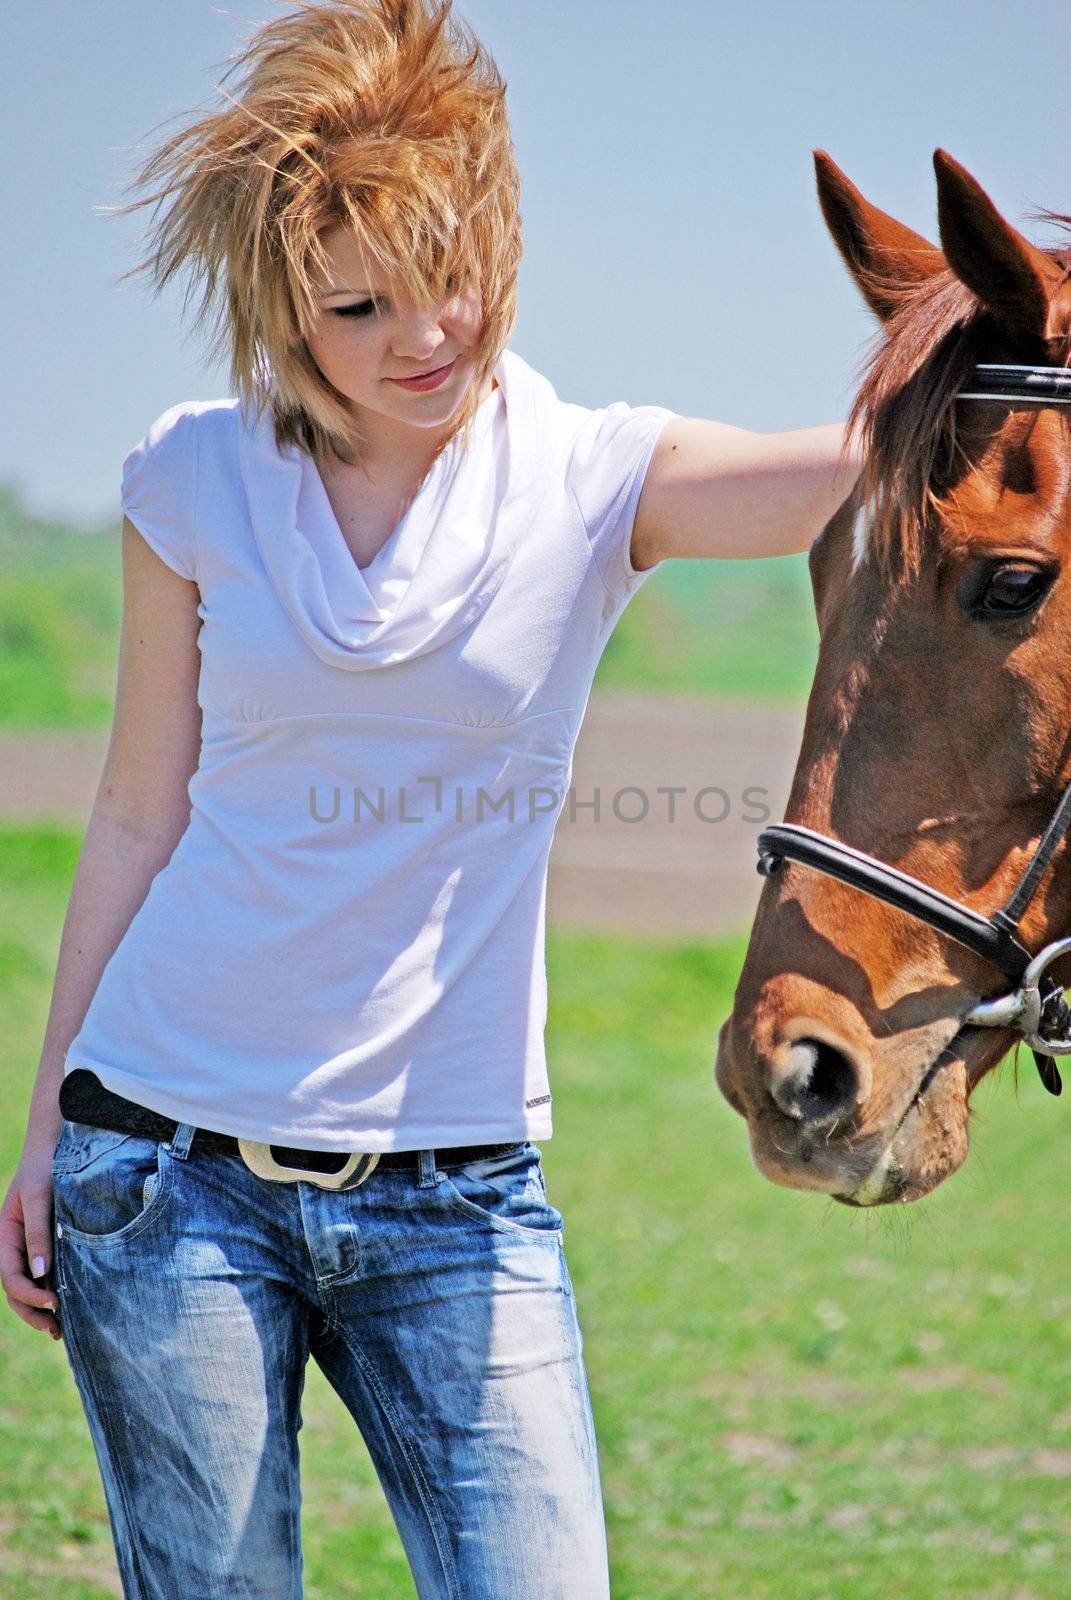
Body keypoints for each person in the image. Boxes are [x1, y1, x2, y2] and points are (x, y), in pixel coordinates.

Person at [0, 1, 862, 1594]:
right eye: (357, 305)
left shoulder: (594, 475)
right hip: (167, 1175)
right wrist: (50, 1121)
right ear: (278, 311)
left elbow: (858, 463)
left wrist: (1012, 357)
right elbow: (136, 813)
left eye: (450, 273)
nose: (423, 334)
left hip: (463, 1199)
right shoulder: (189, 480)